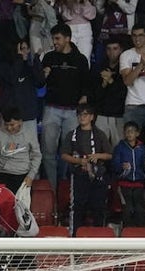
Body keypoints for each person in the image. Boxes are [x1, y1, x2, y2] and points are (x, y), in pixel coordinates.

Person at [39, 24, 88, 189]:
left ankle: (65, 184)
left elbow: (85, 86)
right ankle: (52, 189)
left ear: (68, 38)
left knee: (69, 153)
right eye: (53, 38)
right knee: (48, 152)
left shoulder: (80, 59)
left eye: (58, 38)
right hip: (51, 109)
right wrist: (43, 75)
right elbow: (39, 83)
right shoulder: (49, 58)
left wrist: (83, 100)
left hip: (72, 112)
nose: (55, 42)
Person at [60, 103, 112, 232]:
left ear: (92, 117)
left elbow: (109, 155)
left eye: (85, 114)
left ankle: (99, 239)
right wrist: (79, 160)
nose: (82, 117)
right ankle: (75, 241)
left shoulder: (100, 134)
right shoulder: (72, 134)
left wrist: (98, 155)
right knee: (77, 208)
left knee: (98, 207)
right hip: (78, 176)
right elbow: (64, 155)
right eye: (80, 114)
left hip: (97, 176)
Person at [112, 120, 145, 227]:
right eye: (127, 131)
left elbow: (144, 166)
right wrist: (121, 167)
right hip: (124, 184)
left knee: (140, 209)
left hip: (139, 183)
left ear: (137, 133)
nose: (129, 134)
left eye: (132, 131)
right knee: (127, 209)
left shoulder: (142, 148)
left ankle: (141, 232)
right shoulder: (119, 147)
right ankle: (127, 232)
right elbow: (114, 165)